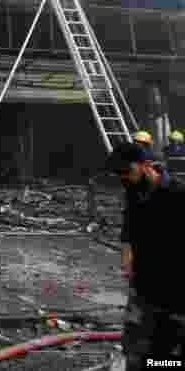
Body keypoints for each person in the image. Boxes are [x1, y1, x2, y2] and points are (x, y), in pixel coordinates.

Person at [108, 142, 185, 368]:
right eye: (118, 173)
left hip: (175, 289)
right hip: (143, 286)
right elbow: (128, 230)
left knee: (168, 356)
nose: (123, 177)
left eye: (126, 171)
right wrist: (127, 258)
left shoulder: (177, 194)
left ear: (146, 164)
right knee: (135, 352)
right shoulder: (134, 192)